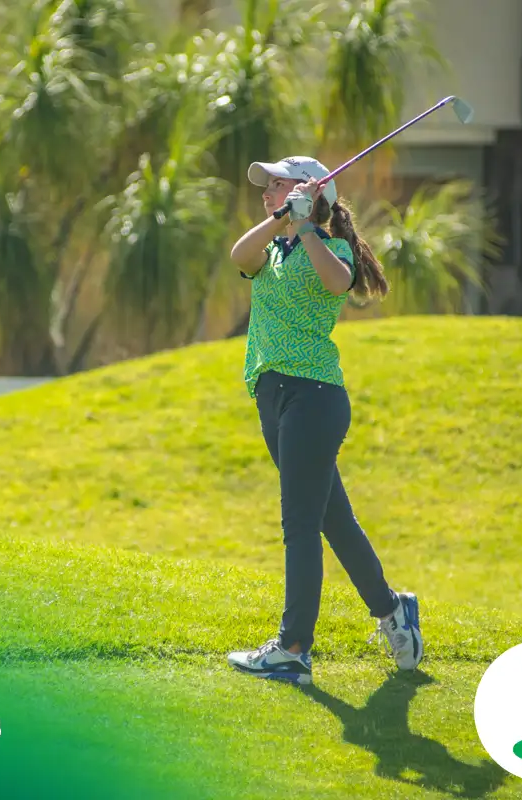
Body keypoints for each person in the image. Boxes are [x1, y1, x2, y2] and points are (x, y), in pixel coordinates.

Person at [225, 156, 422, 685]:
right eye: (268, 186)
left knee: (299, 525)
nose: (267, 192)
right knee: (334, 521)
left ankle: (293, 649)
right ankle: (392, 609)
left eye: (278, 185)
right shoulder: (271, 250)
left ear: (311, 193)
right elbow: (238, 255)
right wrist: (282, 219)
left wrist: (309, 225)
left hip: (313, 397)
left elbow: (338, 283)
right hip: (273, 398)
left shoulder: (330, 247)